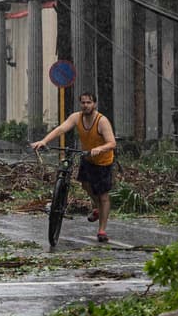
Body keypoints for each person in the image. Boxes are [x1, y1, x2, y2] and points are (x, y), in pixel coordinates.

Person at [30, 92, 116, 242]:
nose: (85, 105)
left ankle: (102, 230)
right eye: (83, 102)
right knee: (85, 185)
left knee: (103, 196)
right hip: (88, 158)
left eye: (89, 103)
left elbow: (112, 143)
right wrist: (44, 141)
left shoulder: (102, 121)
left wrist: (99, 149)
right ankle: (97, 208)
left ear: (94, 104)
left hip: (103, 161)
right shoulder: (77, 117)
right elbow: (61, 129)